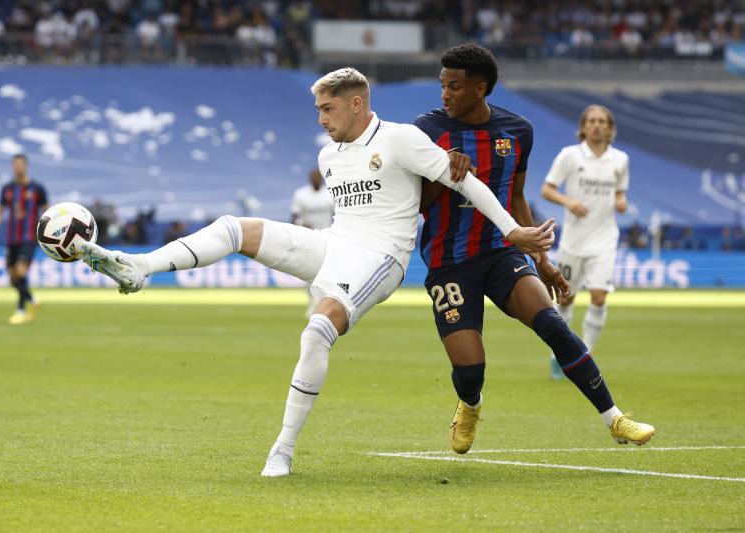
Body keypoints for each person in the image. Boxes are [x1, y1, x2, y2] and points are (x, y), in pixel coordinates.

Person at [80, 67, 554, 477]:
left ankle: (282, 451)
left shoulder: (400, 139)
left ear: (356, 103)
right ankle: (140, 267)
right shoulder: (329, 155)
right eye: (318, 110)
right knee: (233, 228)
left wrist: (513, 230)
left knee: (317, 330)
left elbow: (466, 181)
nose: (321, 120)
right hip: (335, 243)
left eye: (328, 109)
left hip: (382, 258)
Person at [414, 43, 653, 455]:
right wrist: (442, 172)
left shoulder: (517, 131)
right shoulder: (427, 130)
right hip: (448, 263)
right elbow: (415, 203)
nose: (445, 94)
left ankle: (614, 418)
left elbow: (516, 196)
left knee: (554, 326)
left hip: (500, 253)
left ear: (480, 89)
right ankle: (470, 404)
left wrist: (541, 260)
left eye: (454, 86)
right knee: (471, 371)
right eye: (442, 85)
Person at [541, 105, 630, 379]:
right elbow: (547, 189)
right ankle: (559, 356)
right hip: (574, 241)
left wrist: (620, 200)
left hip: (604, 239)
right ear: (583, 126)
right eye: (591, 121)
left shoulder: (620, 160)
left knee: (599, 297)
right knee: (565, 298)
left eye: (602, 121)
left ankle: (585, 355)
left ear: (610, 128)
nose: (597, 125)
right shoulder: (570, 155)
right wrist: (568, 201)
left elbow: (619, 192)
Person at [0, 154, 49, 325]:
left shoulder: (37, 188)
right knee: (13, 279)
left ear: (26, 166)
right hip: (11, 238)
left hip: (29, 237)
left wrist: (49, 231)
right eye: (15, 165)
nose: (18, 167)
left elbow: (47, 211)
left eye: (21, 164)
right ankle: (32, 299)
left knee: (21, 271)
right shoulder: (7, 189)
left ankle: (20, 310)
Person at [290, 168, 335, 316]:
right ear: (310, 179)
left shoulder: (330, 194)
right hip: (307, 238)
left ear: (321, 179)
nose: (315, 179)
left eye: (318, 177)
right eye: (313, 177)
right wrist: (301, 224)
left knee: (326, 272)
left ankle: (321, 304)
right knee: (309, 272)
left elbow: (338, 214)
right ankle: (312, 302)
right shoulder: (301, 194)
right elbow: (294, 216)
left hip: (327, 237)